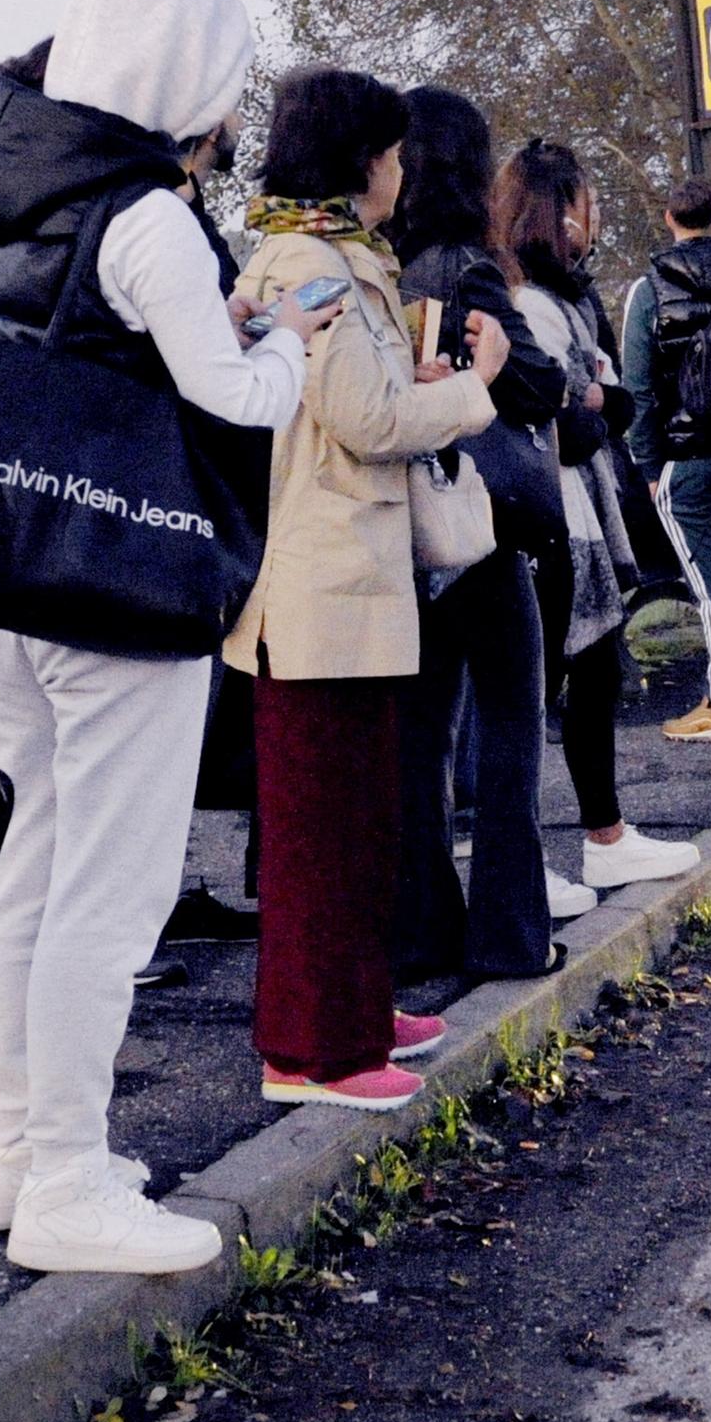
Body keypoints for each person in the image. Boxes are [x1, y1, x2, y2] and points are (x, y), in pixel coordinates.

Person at [0, 0, 327, 1277]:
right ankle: (72, 1181)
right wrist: (289, 341)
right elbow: (238, 399)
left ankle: (13, 1149)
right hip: (118, 575)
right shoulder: (145, 214)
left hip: (5, 574)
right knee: (116, 885)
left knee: (37, 861)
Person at [225, 67, 512, 1105]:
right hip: (325, 589)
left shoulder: (314, 256)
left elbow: (361, 400)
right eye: (390, 152)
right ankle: (313, 1050)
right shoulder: (318, 264)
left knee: (352, 820)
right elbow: (372, 425)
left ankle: (347, 1008)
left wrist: (420, 385)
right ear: (360, 160)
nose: (401, 170)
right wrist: (474, 391)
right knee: (324, 830)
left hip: (338, 583)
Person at [387, 86, 577, 976]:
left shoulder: (390, 263)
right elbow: (534, 385)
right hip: (484, 527)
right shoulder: (466, 266)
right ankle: (510, 931)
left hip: (409, 528)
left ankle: (422, 927)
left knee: (421, 734)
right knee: (510, 724)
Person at [499, 136, 699, 889]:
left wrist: (594, 397)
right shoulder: (534, 303)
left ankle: (604, 834)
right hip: (554, 514)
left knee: (589, 677)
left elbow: (611, 399)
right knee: (545, 683)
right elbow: (569, 418)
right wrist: (592, 398)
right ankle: (544, 852)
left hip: (582, 509)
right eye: (586, 202)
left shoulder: (569, 301)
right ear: (560, 213)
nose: (597, 216)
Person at [620, 178, 711, 742]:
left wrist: (652, 467)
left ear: (668, 220)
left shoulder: (650, 289)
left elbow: (638, 387)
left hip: (688, 454)